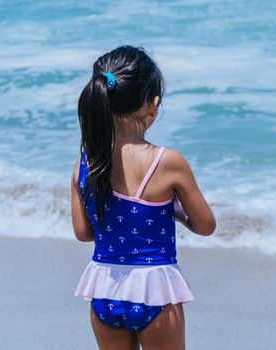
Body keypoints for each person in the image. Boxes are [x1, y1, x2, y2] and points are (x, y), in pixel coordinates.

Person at [70, 45, 216, 350]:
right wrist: (173, 211)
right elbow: (205, 225)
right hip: (155, 289)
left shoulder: (86, 161)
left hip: (105, 287)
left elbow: (83, 233)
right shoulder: (168, 161)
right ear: (152, 105)